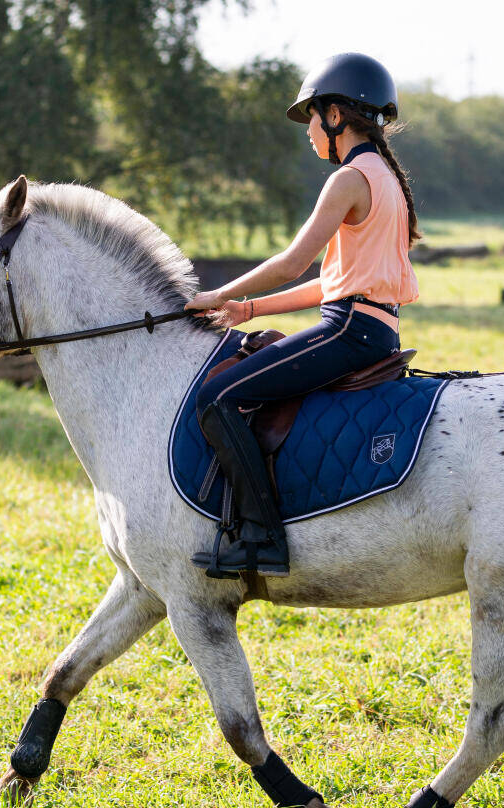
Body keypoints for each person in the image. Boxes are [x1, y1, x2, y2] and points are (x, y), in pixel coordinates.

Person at [185, 52, 421, 578]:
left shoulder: (348, 180)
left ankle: (260, 537)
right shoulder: (385, 179)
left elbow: (293, 263)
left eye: (311, 118)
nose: (308, 131)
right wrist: (245, 308)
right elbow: (333, 281)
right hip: (372, 327)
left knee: (216, 397)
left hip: (349, 331)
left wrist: (217, 291)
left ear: (335, 115)